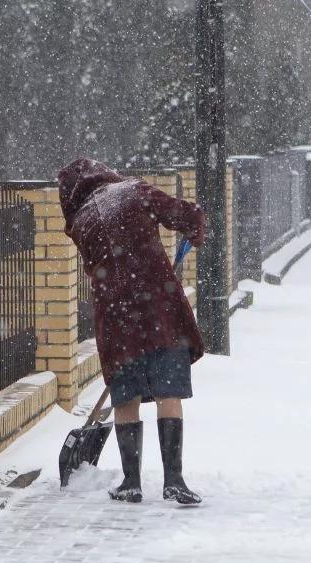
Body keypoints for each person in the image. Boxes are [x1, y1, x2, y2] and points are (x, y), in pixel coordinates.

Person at [58, 158, 206, 505]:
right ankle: (174, 481)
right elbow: (186, 215)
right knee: (169, 392)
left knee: (126, 398)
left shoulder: (82, 222)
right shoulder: (134, 191)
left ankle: (131, 482)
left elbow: (97, 267)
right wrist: (193, 230)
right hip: (159, 312)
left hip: (118, 322)